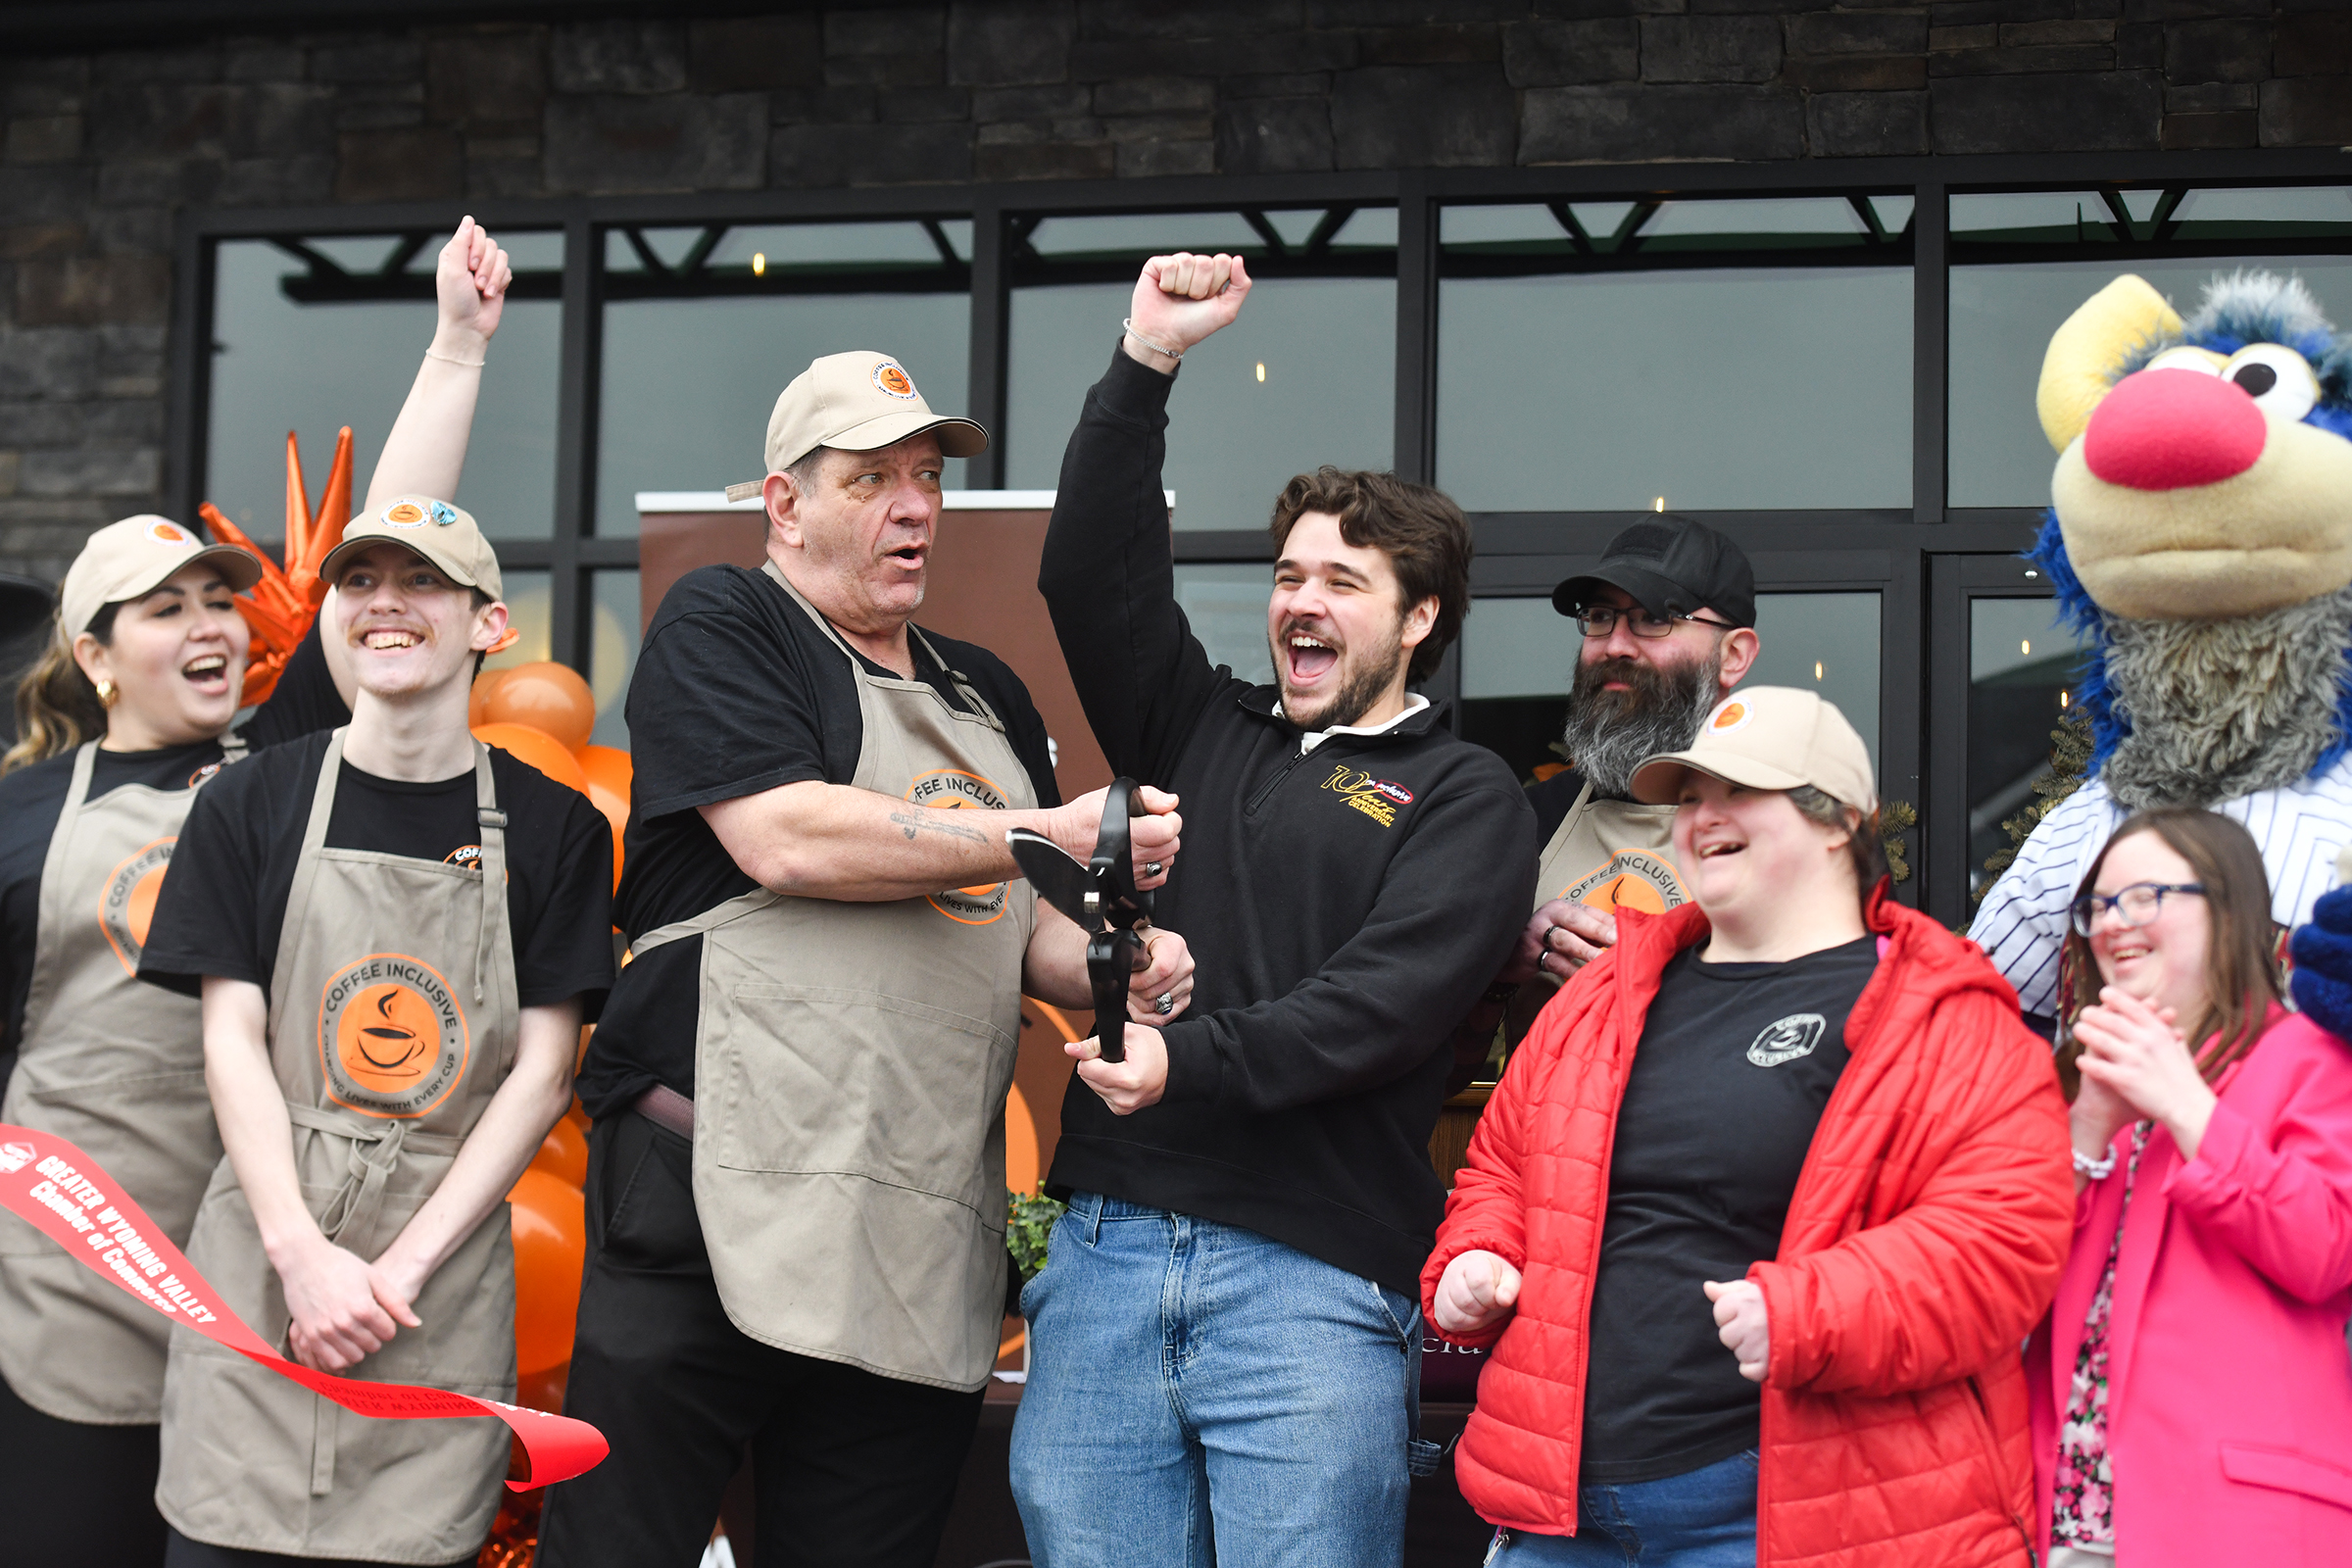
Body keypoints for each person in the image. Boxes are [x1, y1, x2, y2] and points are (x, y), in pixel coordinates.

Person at [536, 351, 1190, 1568]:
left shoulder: (985, 691)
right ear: (784, 503)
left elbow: (1023, 927)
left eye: (927, 477)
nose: (914, 507)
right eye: (872, 479)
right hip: (714, 1196)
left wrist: (1126, 959)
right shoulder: (728, 624)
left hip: (913, 1223)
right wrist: (1038, 831)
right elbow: (785, 838)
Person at [0, 217, 514, 1568]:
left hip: (259, 1264)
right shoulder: (19, 817)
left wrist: (456, 348)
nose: (213, 627)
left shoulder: (284, 772)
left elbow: (393, 537)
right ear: (96, 657)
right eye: (168, 610)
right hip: (68, 1268)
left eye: (221, 602)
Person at [1009, 251, 1537, 1568]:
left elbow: (1379, 1011)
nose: (1302, 601)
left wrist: (1184, 1060)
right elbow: (1088, 576)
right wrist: (1145, 359)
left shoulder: (1465, 795)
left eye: (1344, 583)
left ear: (1417, 618)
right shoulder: (1201, 723)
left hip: (1310, 1280)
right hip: (1110, 1254)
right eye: (1291, 575)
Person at [1427, 686, 2075, 1567]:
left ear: (1842, 822)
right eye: (1691, 797)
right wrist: (1478, 1255)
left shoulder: (1938, 1009)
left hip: (1789, 1522)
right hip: (1559, 1522)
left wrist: (1809, 1314)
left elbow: (2001, 1240)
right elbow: (1503, 1171)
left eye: (1741, 792)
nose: (1703, 817)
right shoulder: (1604, 995)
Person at [131, 487, 613, 1568]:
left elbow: (543, 1074)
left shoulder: (556, 829)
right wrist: (300, 1256)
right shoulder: (249, 802)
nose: (384, 602)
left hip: (437, 1278)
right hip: (263, 1256)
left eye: (422, 581)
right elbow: (230, 1041)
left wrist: (394, 1275)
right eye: (359, 580)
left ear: (491, 623)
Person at [2027, 808, 2352, 1567]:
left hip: (2240, 1523)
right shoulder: (2084, 1081)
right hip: (2066, 1523)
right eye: (2098, 905)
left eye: (2145, 896)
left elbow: (2326, 1250)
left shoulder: (2310, 1054)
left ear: (2227, 907)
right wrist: (2087, 1132)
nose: (2114, 922)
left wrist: (2185, 1106)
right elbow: (2011, 1294)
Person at [1509, 517, 1760, 994]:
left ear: (1733, 656)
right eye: (1600, 616)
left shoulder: (1800, 825)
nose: (1616, 646)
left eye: (1654, 618)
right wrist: (1504, 967)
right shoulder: (1530, 820)